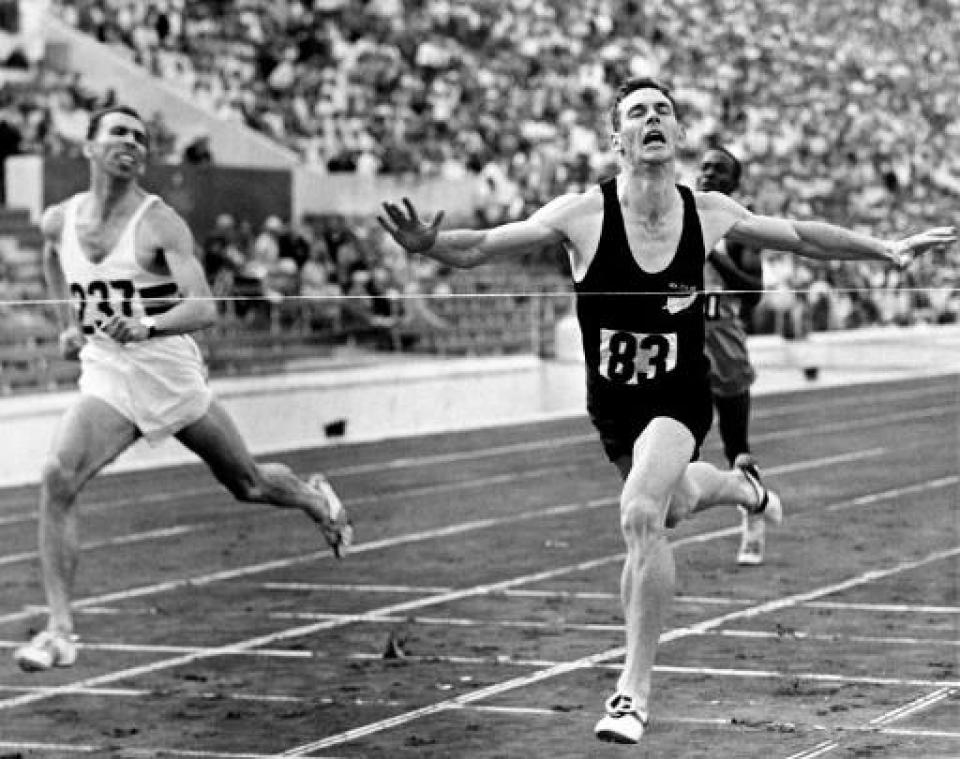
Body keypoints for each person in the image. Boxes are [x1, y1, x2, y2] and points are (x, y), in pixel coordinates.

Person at [377, 78, 955, 746]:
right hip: (614, 407)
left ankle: (632, 691)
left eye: (664, 112)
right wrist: (429, 246)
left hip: (680, 396)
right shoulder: (580, 214)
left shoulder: (705, 211)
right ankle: (742, 487)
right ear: (615, 137)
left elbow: (801, 237)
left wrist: (883, 247)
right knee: (676, 503)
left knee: (640, 512)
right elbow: (479, 245)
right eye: (637, 113)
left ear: (678, 136)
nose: (653, 119)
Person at [13, 106, 353, 673]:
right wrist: (67, 322)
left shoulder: (160, 221)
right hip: (108, 375)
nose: (131, 143)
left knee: (246, 483)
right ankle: (60, 630)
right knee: (56, 476)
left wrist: (145, 324)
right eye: (118, 133)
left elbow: (204, 306)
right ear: (89, 147)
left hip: (167, 370)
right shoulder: (60, 219)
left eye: (141, 138)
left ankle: (316, 500)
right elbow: (52, 257)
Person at [696, 146, 767, 566]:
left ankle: (753, 514)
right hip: (682, 343)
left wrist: (714, 255)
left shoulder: (743, 227)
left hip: (725, 344)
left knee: (735, 445)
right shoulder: (679, 219)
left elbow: (754, 293)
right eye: (704, 167)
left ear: (734, 183)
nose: (708, 174)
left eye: (719, 170)